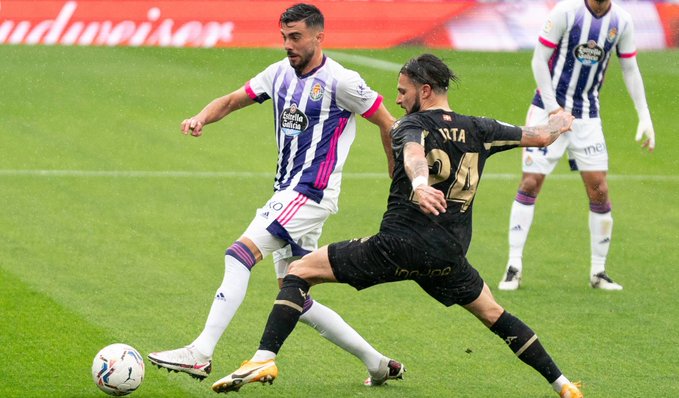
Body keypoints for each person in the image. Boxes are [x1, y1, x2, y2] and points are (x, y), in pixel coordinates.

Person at [211, 54, 583, 398]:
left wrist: (421, 186)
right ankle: (563, 384)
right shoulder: (479, 129)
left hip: (397, 246)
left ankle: (263, 356)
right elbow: (540, 135)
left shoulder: (412, 125)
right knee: (493, 313)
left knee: (298, 272)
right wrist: (561, 120)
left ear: (424, 91)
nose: (399, 99)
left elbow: (414, 156)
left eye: (403, 92)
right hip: (449, 256)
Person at [148, 3, 405, 387]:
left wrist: (395, 170)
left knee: (239, 254)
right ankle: (378, 364)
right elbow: (234, 99)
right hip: (289, 193)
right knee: (296, 296)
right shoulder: (278, 74)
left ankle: (201, 352)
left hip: (310, 193)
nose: (288, 44)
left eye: (296, 37)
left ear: (319, 36)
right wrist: (202, 116)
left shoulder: (342, 81)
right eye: (284, 36)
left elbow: (389, 122)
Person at [498, 0, 656, 291]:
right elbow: (538, 60)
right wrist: (553, 109)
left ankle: (599, 272)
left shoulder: (622, 21)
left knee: (599, 188)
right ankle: (513, 265)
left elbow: (630, 69)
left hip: (587, 117)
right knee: (530, 182)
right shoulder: (565, 12)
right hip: (548, 111)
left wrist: (644, 115)